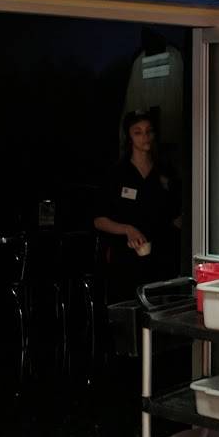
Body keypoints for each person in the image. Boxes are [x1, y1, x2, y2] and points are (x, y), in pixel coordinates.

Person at [94, 110, 181, 301]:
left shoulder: (165, 171)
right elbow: (99, 220)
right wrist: (128, 230)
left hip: (162, 257)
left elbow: (176, 214)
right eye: (138, 132)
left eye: (149, 131)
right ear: (129, 137)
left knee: (160, 305)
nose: (145, 137)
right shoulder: (118, 173)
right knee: (128, 306)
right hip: (126, 259)